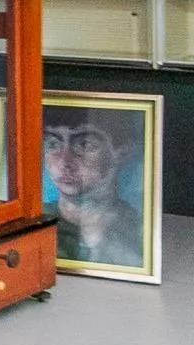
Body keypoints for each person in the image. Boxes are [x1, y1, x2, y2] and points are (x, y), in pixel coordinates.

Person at [44, 108, 144, 268]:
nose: (64, 162)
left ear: (122, 152)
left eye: (84, 145)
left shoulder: (139, 231)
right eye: (53, 144)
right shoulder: (34, 224)